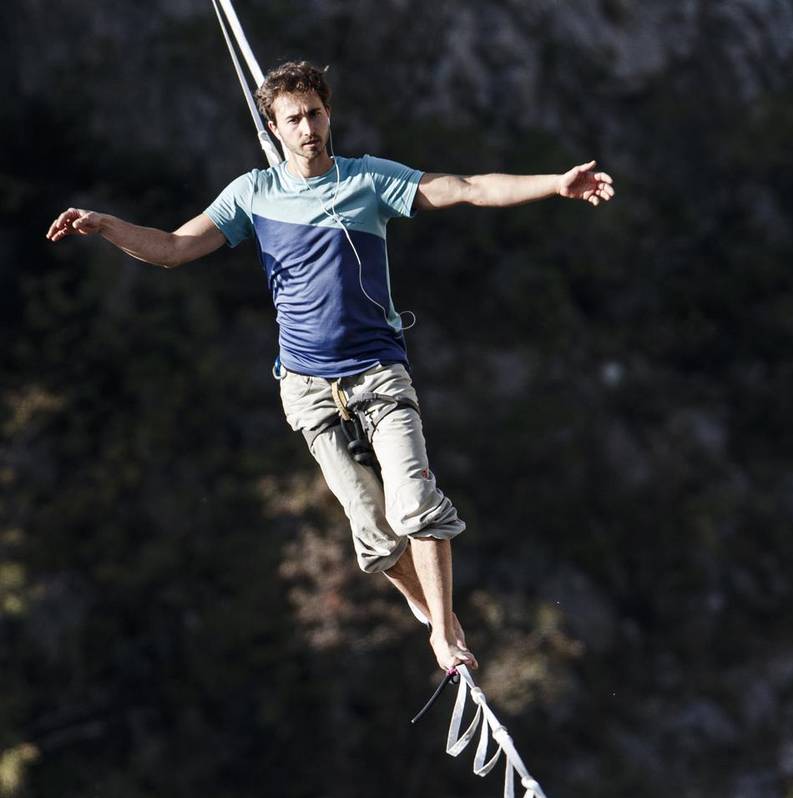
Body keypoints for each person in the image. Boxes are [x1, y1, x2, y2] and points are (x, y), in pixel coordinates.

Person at [47, 60, 614, 673]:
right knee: (374, 534)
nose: (308, 128)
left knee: (415, 505)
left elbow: (467, 186)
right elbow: (174, 249)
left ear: (328, 114)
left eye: (315, 114)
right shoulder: (253, 194)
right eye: (293, 119)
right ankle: (430, 609)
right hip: (308, 389)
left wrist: (555, 182)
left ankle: (444, 631)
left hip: (376, 374)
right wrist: (106, 226)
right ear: (274, 129)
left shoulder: (368, 181)